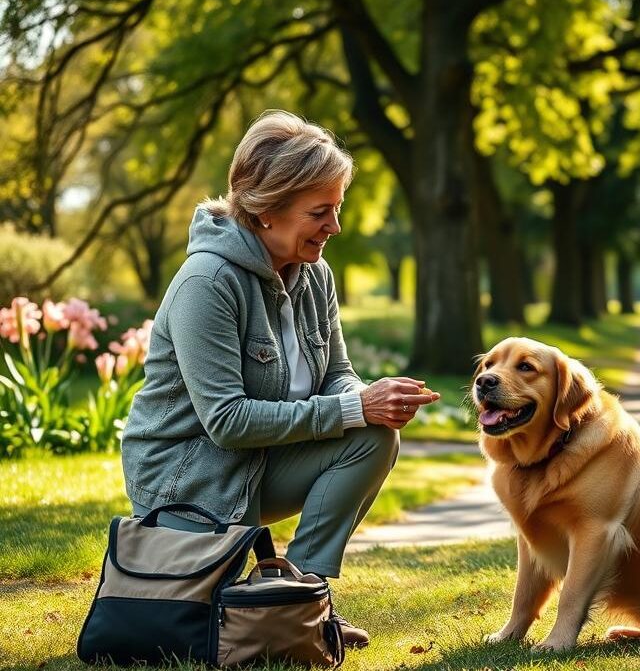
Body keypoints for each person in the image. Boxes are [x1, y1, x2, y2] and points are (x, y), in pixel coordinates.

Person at [120, 109, 440, 648]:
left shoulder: (315, 273)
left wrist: (367, 401)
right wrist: (354, 407)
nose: (335, 227)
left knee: (374, 436)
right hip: (188, 479)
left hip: (260, 462)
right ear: (266, 211)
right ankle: (261, 598)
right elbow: (226, 422)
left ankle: (298, 593)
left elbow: (337, 373)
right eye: (320, 212)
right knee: (190, 624)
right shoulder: (208, 282)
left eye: (336, 209)